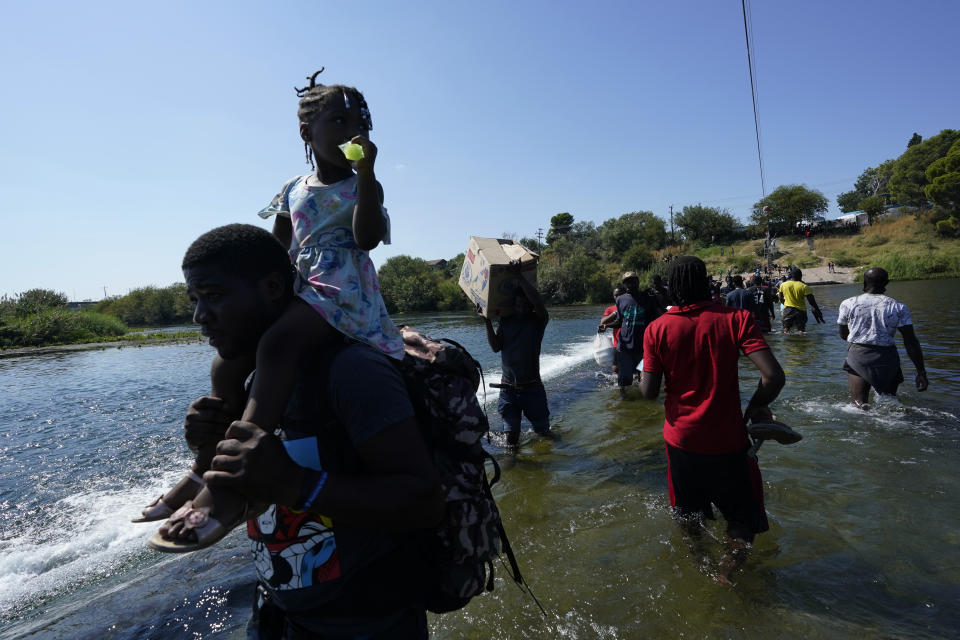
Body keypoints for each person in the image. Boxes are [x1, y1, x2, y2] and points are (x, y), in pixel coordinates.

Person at [144, 69, 404, 553]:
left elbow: (366, 239)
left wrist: (367, 174)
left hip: (342, 289)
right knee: (228, 360)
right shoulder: (292, 188)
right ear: (307, 133)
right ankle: (205, 462)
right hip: (300, 287)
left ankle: (227, 487)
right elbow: (275, 254)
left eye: (361, 121)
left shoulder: (363, 183)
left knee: (280, 343)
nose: (354, 131)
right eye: (340, 120)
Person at [172, 224, 442, 637]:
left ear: (273, 287)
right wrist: (208, 448)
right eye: (195, 300)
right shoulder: (252, 380)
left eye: (215, 297)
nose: (199, 316)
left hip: (368, 622)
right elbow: (255, 484)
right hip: (279, 615)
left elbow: (423, 501)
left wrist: (295, 484)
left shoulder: (351, 372)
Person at [639, 257, 785, 584]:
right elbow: (773, 376)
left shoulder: (657, 329)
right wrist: (754, 408)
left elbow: (649, 393)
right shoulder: (737, 319)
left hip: (681, 442)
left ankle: (699, 560)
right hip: (729, 440)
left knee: (689, 515)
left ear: (672, 288)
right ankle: (728, 569)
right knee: (741, 519)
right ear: (705, 281)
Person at [837, 267, 929, 408]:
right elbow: (911, 342)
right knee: (890, 405)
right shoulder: (899, 307)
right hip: (888, 358)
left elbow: (843, 334)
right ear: (887, 283)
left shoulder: (848, 304)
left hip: (859, 357)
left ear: (864, 282)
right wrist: (921, 372)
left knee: (858, 405)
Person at [479, 268, 551, 446]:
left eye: (526, 306)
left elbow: (538, 303)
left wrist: (519, 276)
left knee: (544, 435)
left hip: (532, 389)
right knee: (511, 441)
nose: (521, 309)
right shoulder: (506, 321)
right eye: (518, 305)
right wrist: (486, 320)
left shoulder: (538, 321)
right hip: (508, 390)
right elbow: (496, 347)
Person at [599, 272, 657, 391]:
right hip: (624, 348)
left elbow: (654, 319)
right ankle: (623, 401)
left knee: (643, 378)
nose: (630, 284)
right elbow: (620, 321)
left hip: (643, 348)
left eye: (632, 281)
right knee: (624, 381)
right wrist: (607, 326)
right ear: (624, 284)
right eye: (627, 282)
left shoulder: (647, 298)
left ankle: (642, 402)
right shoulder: (620, 299)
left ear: (638, 282)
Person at [778, 268, 824, 334]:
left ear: (791, 275)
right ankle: (802, 342)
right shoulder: (804, 286)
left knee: (786, 330)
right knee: (801, 331)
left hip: (788, 310)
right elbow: (812, 302)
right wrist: (818, 311)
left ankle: (787, 343)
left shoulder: (783, 285)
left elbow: (780, 297)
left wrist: (785, 304)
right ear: (800, 276)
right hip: (800, 311)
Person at [600, 286, 625, 373]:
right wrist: (615, 312)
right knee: (615, 369)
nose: (617, 297)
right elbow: (603, 321)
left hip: (633, 342)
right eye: (616, 295)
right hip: (617, 343)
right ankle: (617, 385)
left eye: (620, 295)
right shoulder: (610, 309)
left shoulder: (631, 305)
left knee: (638, 367)